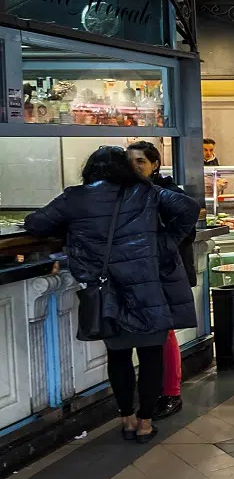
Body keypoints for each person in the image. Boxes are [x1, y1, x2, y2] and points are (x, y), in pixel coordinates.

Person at [26, 146, 198, 442]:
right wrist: (165, 243)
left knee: (117, 356)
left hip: (107, 290)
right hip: (147, 287)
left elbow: (35, 223)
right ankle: (146, 422)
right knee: (150, 356)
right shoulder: (145, 192)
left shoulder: (75, 196)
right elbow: (188, 209)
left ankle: (127, 419)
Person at [126, 141, 195, 420]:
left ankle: (171, 393)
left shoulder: (168, 193)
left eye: (140, 161)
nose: (134, 167)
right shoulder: (128, 193)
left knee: (164, 333)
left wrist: (163, 247)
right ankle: (157, 390)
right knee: (154, 335)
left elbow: (187, 230)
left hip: (166, 274)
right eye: (129, 162)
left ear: (155, 165)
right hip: (143, 275)